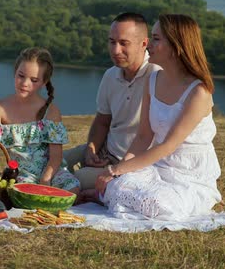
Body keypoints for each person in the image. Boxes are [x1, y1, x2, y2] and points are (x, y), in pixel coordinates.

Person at [91, 14, 222, 220]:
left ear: (176, 46)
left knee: (160, 205)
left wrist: (116, 169)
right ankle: (107, 195)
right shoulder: (152, 80)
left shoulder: (199, 92)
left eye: (156, 39)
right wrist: (121, 173)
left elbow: (169, 145)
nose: (148, 45)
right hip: (159, 167)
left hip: (189, 173)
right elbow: (143, 137)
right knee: (120, 185)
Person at [64, 12, 161, 191]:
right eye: (112, 41)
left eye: (124, 43)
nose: (116, 50)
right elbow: (102, 121)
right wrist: (91, 149)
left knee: (70, 182)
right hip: (105, 150)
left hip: (131, 164)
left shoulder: (156, 75)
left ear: (144, 44)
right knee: (51, 163)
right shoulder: (110, 75)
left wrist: (119, 167)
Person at [0, 47, 80, 194]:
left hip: (51, 171)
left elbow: (56, 157)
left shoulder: (51, 111)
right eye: (21, 76)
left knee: (73, 187)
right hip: (21, 174)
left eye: (34, 80)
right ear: (15, 72)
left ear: (44, 82)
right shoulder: (0, 108)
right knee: (21, 195)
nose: (25, 83)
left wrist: (46, 179)